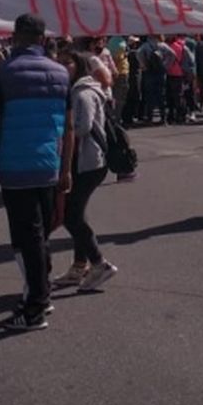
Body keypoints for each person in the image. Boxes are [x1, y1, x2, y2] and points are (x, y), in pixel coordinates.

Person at [0, 14, 71, 331]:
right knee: (40, 235)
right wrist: (66, 169)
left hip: (15, 166)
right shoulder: (61, 73)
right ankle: (40, 293)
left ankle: (35, 306)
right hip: (49, 164)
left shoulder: (2, 73)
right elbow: (69, 127)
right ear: (43, 38)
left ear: (16, 37)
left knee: (26, 236)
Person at [50, 50, 119, 292]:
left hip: (89, 162)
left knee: (71, 215)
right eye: (58, 63)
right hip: (79, 161)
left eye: (67, 63)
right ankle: (80, 266)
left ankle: (99, 263)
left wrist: (58, 131)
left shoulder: (83, 92)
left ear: (78, 66)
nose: (62, 66)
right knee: (76, 213)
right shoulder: (72, 89)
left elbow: (82, 127)